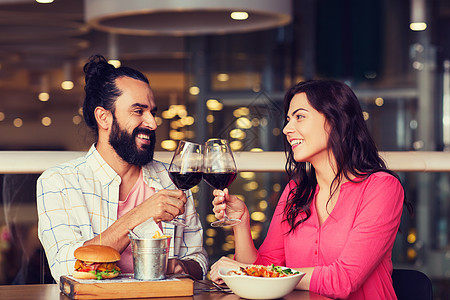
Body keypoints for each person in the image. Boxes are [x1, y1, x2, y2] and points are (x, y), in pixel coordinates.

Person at [210, 80, 411, 299]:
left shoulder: (381, 188)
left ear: (336, 120)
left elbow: (344, 280)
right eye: (288, 120)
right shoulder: (295, 191)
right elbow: (263, 267)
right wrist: (240, 223)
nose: (287, 129)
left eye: (300, 117)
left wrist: (255, 274)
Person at [37, 55, 207, 282]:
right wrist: (139, 215)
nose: (153, 123)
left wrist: (180, 266)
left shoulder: (171, 180)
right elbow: (65, 267)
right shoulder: (58, 182)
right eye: (139, 111)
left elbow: (200, 260)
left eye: (152, 112)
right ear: (103, 117)